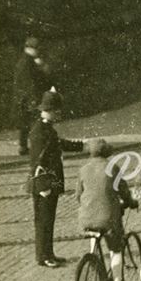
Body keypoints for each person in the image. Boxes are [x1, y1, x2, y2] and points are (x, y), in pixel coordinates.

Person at [75, 139, 139, 281]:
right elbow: (123, 191)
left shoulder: (83, 169)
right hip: (108, 218)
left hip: (87, 219)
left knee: (94, 243)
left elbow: (78, 195)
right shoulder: (112, 168)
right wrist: (130, 202)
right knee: (116, 250)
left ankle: (93, 263)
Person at [29, 91, 85, 267]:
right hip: (44, 184)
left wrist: (82, 145)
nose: (59, 114)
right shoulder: (40, 131)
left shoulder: (46, 128)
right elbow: (38, 162)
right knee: (44, 220)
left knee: (48, 219)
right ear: (50, 110)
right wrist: (44, 186)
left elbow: (60, 144)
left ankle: (48, 253)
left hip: (49, 183)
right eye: (57, 111)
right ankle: (43, 256)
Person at [13, 36, 53, 155]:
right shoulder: (28, 62)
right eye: (36, 48)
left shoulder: (25, 60)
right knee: (36, 123)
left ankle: (23, 146)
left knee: (25, 124)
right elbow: (31, 83)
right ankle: (38, 146)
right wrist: (35, 100)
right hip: (29, 98)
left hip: (23, 98)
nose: (38, 51)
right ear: (31, 48)